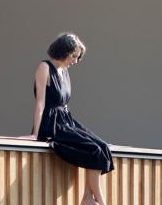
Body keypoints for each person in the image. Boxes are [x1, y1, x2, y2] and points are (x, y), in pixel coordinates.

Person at [31, 33, 114, 205]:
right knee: (93, 149)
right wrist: (35, 134)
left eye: (79, 57)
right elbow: (40, 103)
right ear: (64, 52)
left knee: (102, 147)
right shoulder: (44, 68)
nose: (76, 61)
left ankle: (87, 198)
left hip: (66, 119)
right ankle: (99, 200)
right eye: (75, 56)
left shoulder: (65, 72)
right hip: (52, 122)